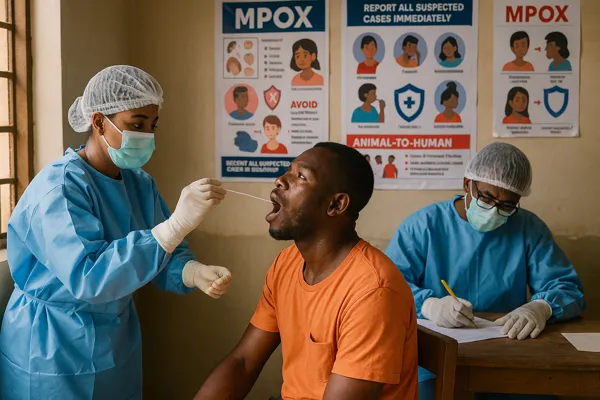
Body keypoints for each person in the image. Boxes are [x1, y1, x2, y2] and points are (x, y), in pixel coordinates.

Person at [0, 65, 233, 400]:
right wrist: (177, 225)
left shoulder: (139, 183)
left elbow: (159, 252)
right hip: (52, 344)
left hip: (113, 341)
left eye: (152, 126)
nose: (147, 136)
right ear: (98, 122)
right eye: (136, 125)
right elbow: (90, 275)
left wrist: (192, 272)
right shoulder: (60, 189)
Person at [194, 143, 418, 400]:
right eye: (288, 171)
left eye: (301, 176)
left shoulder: (373, 291)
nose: (280, 180)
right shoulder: (286, 264)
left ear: (336, 205)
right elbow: (243, 362)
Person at [385, 142, 586, 400]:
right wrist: (430, 306)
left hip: (506, 351)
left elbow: (568, 289)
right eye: (487, 198)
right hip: (433, 356)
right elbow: (387, 289)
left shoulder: (528, 229)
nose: (494, 210)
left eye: (507, 205)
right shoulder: (423, 226)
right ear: (468, 183)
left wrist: (541, 308)